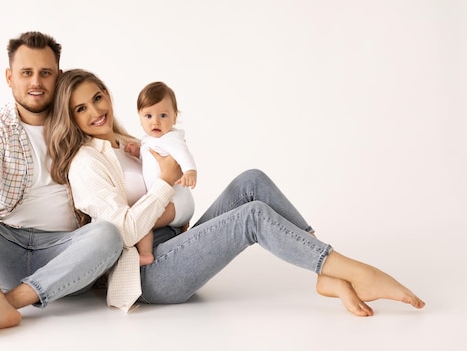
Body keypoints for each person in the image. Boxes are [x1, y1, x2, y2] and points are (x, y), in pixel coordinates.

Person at [46, 68, 426, 316]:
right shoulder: (85, 163)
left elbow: (177, 201)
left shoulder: (129, 142)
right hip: (149, 275)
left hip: (173, 241)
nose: (96, 110)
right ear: (70, 117)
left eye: (98, 97)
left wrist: (172, 202)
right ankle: (359, 272)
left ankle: (326, 272)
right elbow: (123, 232)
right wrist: (165, 184)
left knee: (251, 180)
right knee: (252, 217)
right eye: (81, 108)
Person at [0, 32, 123, 336]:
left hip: (65, 254)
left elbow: (115, 160)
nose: (36, 82)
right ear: (9, 77)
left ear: (58, 76)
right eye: (26, 73)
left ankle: (1, 305)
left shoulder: (77, 119)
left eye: (45, 73)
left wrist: (136, 147)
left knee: (108, 234)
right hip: (5, 248)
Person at [124, 81, 197, 266]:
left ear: (174, 117)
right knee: (144, 216)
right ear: (140, 118)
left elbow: (183, 154)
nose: (155, 121)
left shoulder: (171, 139)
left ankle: (146, 254)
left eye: (163, 115)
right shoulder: (150, 140)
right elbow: (152, 164)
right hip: (173, 203)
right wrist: (137, 152)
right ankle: (180, 233)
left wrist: (190, 171)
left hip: (176, 203)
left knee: (143, 221)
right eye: (148, 116)